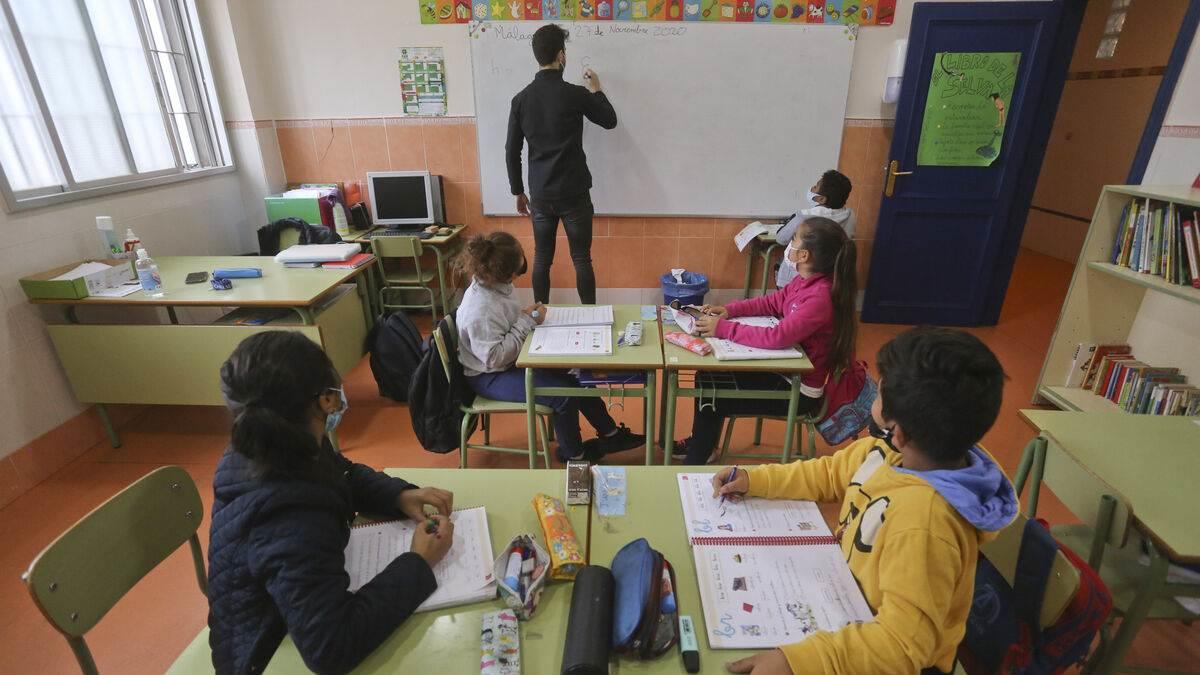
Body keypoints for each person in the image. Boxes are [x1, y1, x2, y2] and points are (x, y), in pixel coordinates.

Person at [715, 327, 1017, 675]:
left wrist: (795, 662)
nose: (872, 391)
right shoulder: (893, 450)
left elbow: (900, 647)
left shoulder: (926, 526)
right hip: (844, 604)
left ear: (899, 431)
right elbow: (829, 474)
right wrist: (756, 479)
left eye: (878, 390)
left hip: (878, 655)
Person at [206, 331, 457, 674]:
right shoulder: (288, 515)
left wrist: (397, 495)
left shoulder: (274, 439)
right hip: (268, 653)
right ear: (325, 399)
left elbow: (340, 472)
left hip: (293, 615)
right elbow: (331, 647)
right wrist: (419, 562)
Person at [672, 217, 857, 465]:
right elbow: (772, 302)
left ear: (804, 255)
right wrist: (730, 310)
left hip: (799, 390)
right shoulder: (803, 281)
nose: (789, 244)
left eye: (794, 239)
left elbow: (778, 336)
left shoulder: (820, 297)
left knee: (711, 392)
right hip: (785, 372)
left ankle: (698, 457)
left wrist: (723, 329)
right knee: (706, 376)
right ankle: (703, 445)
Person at [455, 231, 643, 462]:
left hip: (512, 359)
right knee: (563, 396)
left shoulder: (496, 284)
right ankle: (574, 455)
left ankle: (611, 434)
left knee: (577, 376)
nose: (520, 274)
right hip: (489, 375)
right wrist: (527, 321)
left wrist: (525, 318)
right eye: (519, 271)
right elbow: (494, 358)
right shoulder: (480, 310)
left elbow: (507, 323)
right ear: (506, 274)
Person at [506, 23, 618, 305]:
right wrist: (596, 90)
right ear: (561, 56)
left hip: (541, 194)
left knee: (542, 258)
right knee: (581, 258)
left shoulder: (521, 100)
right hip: (574, 192)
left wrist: (518, 191)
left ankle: (539, 315)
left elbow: (512, 150)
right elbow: (609, 120)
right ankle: (590, 316)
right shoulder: (575, 94)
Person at [774, 169, 855, 288]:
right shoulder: (850, 216)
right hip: (829, 277)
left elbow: (781, 238)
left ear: (822, 199)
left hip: (797, 276)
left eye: (816, 186)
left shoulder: (804, 216)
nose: (812, 188)